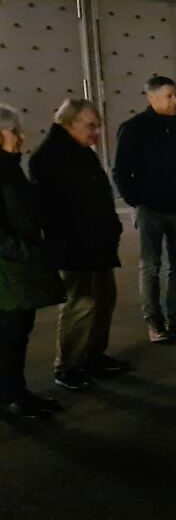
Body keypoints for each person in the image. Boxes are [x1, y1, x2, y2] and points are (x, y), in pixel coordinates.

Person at [29, 99, 127, 390]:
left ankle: (93, 354)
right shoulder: (48, 157)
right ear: (69, 123)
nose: (96, 132)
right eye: (90, 126)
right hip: (75, 246)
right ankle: (68, 365)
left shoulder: (80, 151)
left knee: (104, 298)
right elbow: (50, 211)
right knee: (80, 303)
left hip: (97, 243)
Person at [111, 75, 176, 342]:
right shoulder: (134, 128)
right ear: (151, 98)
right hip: (150, 208)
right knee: (151, 265)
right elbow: (120, 171)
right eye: (169, 96)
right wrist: (136, 200)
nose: (175, 101)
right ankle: (154, 321)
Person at [0, 104, 65, 418]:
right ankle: (12, 397)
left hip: (18, 266)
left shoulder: (10, 166)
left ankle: (15, 392)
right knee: (10, 335)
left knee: (18, 332)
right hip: (8, 268)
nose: (21, 137)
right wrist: (34, 253)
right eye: (15, 131)